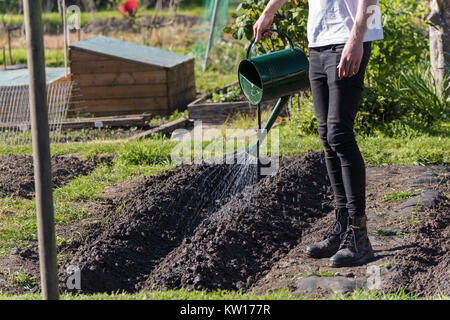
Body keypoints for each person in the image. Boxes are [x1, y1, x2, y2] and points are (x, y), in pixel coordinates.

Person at [253, 0, 383, 267]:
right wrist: (269, 11)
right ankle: (342, 227)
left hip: (347, 40)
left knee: (339, 134)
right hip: (319, 42)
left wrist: (357, 40)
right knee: (327, 137)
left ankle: (359, 237)